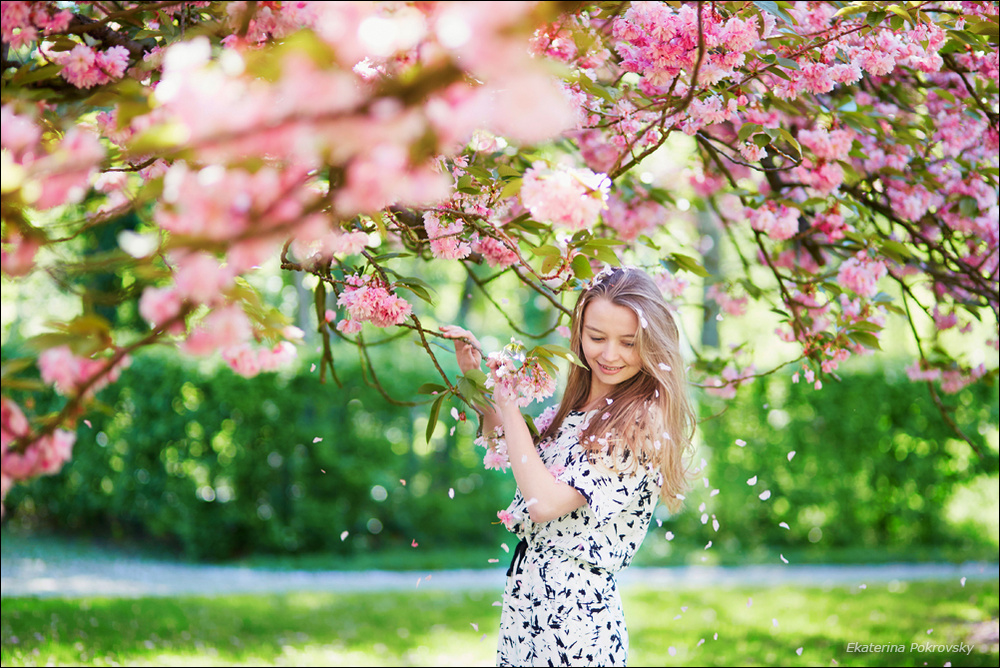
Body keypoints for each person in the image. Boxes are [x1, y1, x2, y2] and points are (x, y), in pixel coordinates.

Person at [441, 265, 696, 667]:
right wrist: (477, 378)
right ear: (579, 333)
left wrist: (508, 399)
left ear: (652, 345)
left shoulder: (641, 425)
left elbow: (543, 502)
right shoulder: (578, 410)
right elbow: (515, 455)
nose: (609, 355)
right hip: (530, 604)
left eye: (628, 343)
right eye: (596, 337)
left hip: (577, 617)